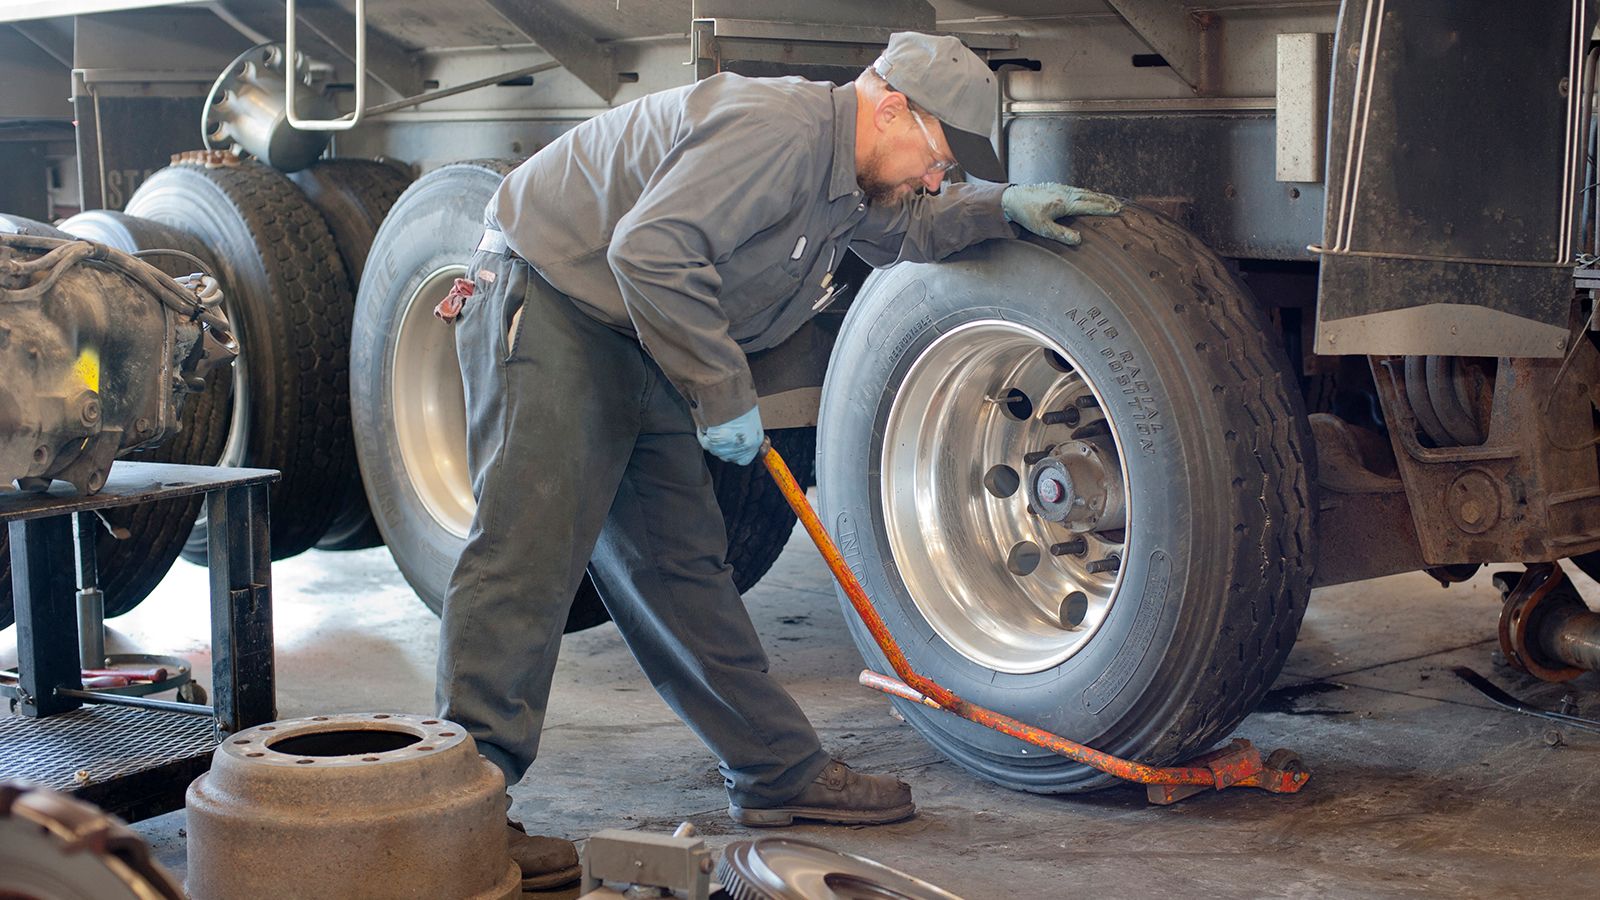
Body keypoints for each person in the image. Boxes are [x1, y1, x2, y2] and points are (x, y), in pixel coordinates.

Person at [435, 31, 1122, 890]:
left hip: (632, 333)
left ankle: (776, 772)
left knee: (680, 568)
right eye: (938, 155)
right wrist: (724, 395)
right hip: (552, 306)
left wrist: (1002, 205)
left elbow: (907, 223)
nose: (934, 174)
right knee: (525, 558)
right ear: (893, 106)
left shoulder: (850, 172)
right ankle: (458, 812)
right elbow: (651, 250)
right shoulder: (781, 130)